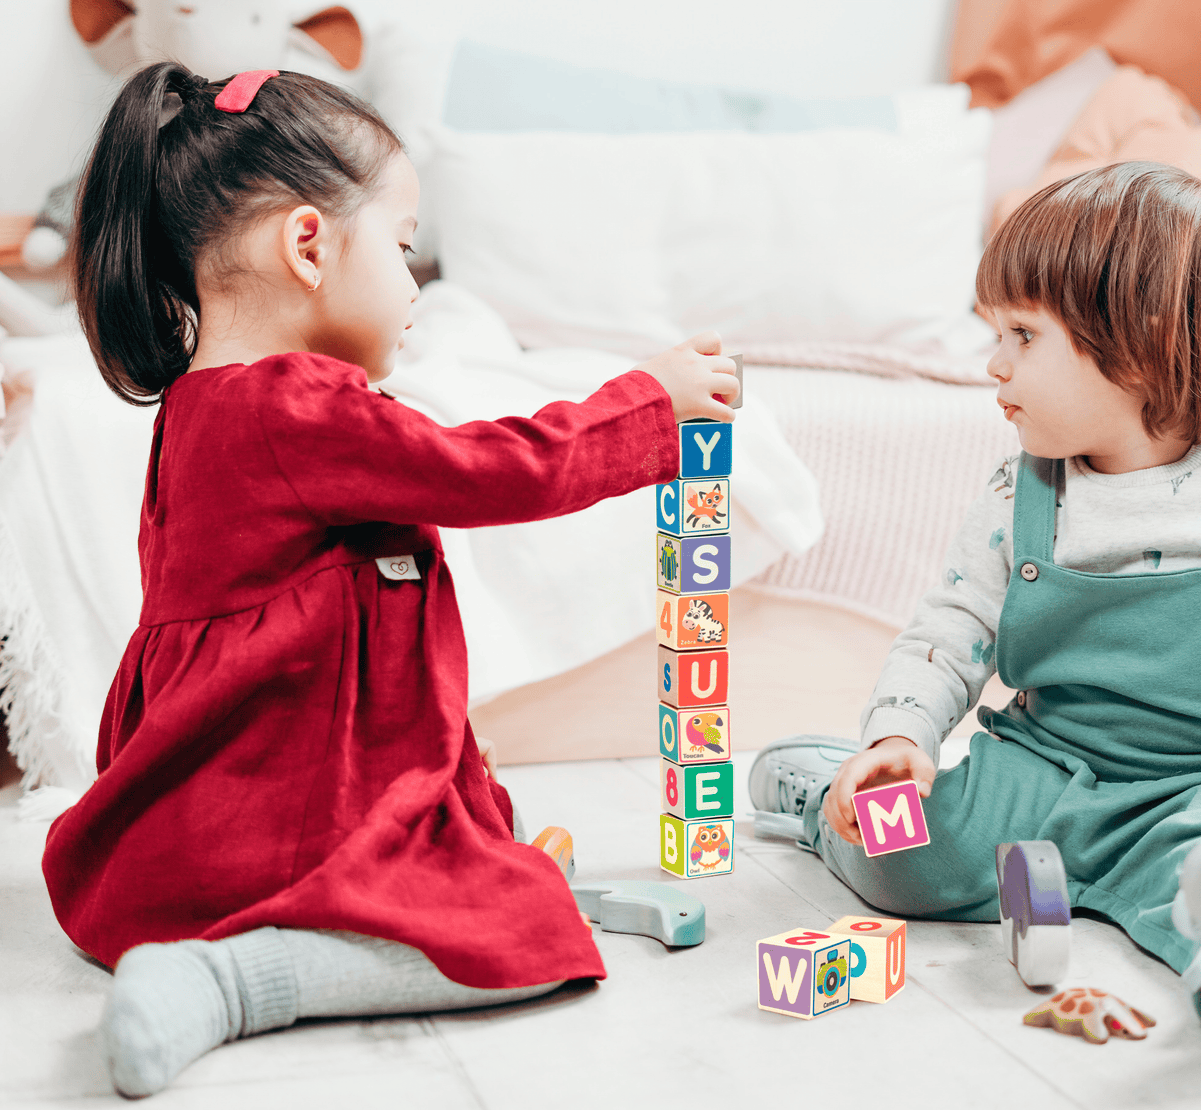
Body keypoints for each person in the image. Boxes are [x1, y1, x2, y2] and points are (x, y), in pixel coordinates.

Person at [41, 64, 739, 1098]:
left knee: (490, 846)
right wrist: (650, 406)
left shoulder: (200, 409)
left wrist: (428, 739)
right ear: (310, 246)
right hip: (271, 808)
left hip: (193, 805)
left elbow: (297, 639)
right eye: (404, 249)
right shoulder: (297, 403)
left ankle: (216, 959)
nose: (414, 288)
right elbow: (503, 467)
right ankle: (238, 982)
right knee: (521, 931)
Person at [749, 161, 1201, 1071]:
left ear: (1137, 346)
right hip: (1044, 767)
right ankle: (830, 801)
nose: (993, 363)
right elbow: (946, 635)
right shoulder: (1016, 495)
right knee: (908, 859)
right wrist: (896, 737)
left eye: (1023, 334)